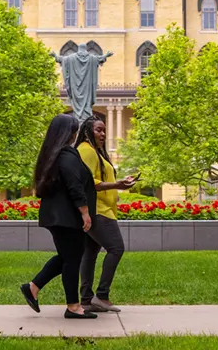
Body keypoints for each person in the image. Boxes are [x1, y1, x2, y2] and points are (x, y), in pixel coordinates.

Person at [20, 113, 98, 320]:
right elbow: (75, 186)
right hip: (67, 217)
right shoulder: (66, 155)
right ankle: (73, 307)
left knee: (67, 257)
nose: (75, 135)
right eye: (74, 131)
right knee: (72, 260)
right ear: (68, 133)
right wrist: (85, 213)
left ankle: (33, 287)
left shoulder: (53, 154)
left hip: (58, 216)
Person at [76, 115, 137, 313]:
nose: (103, 134)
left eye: (104, 130)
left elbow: (99, 179)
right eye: (98, 130)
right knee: (116, 248)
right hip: (98, 211)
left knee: (90, 253)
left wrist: (119, 185)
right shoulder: (86, 151)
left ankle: (86, 299)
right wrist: (116, 185)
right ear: (87, 131)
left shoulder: (96, 152)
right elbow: (87, 182)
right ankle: (101, 295)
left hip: (103, 208)